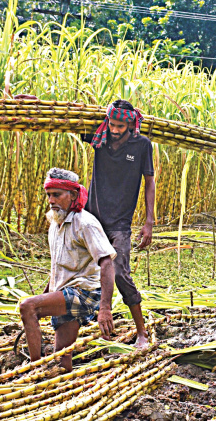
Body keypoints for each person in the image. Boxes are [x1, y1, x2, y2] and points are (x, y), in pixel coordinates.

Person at [19, 168, 116, 372]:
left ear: (72, 195)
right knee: (62, 359)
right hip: (64, 293)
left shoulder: (85, 224)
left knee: (27, 307)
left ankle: (35, 368)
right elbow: (57, 266)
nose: (51, 200)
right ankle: (64, 383)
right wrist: (46, 294)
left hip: (84, 293)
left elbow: (107, 262)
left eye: (57, 195)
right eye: (49, 195)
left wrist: (105, 309)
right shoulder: (55, 224)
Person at [81, 99, 155, 349]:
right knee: (77, 265)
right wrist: (38, 106)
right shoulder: (100, 137)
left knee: (121, 272)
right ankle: (72, 317)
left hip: (120, 223)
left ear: (131, 124)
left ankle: (141, 332)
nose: (114, 129)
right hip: (92, 218)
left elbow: (149, 181)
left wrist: (149, 221)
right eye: (111, 124)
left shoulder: (142, 145)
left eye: (120, 126)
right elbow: (66, 122)